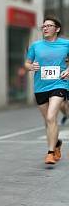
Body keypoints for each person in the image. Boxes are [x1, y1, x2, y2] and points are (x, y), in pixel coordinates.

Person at [25, 16, 69, 165]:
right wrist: (30, 67)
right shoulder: (35, 46)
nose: (45, 28)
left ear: (57, 29)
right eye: (43, 26)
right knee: (48, 121)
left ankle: (50, 153)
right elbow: (27, 63)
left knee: (51, 117)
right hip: (40, 87)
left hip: (59, 84)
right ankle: (56, 144)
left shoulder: (66, 44)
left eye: (49, 26)